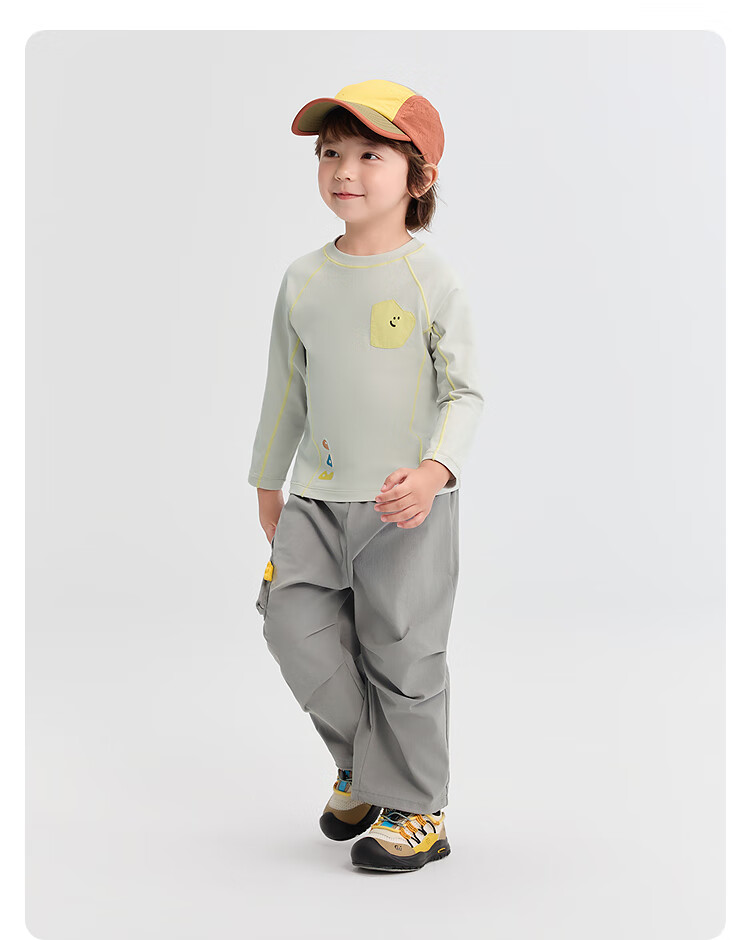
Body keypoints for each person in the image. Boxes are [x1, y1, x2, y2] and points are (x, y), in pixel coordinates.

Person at [247, 79, 484, 872]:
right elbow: (285, 390)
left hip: (406, 508)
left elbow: (465, 392)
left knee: (403, 656)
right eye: (330, 153)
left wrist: (434, 471)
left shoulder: (431, 278)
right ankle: (366, 768)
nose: (343, 170)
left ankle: (416, 811)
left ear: (420, 177)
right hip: (315, 499)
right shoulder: (303, 280)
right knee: (290, 623)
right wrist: (267, 482)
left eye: (369, 155)